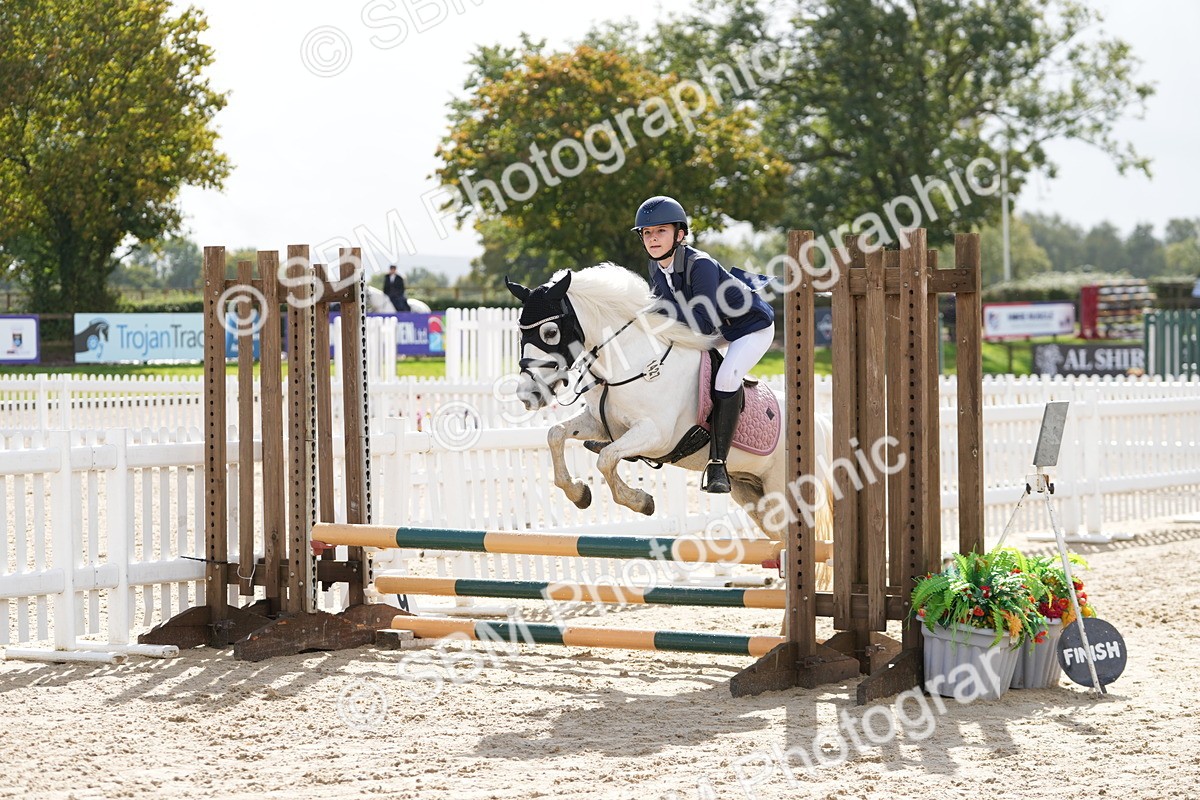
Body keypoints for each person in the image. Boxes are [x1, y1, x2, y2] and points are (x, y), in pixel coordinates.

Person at [633, 195, 775, 494]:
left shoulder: (701, 265)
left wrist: (655, 311)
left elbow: (702, 323)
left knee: (726, 377)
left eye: (661, 231)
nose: (653, 238)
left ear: (680, 234)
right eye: (647, 233)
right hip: (719, 326)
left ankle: (718, 464)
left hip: (751, 327)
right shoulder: (657, 268)